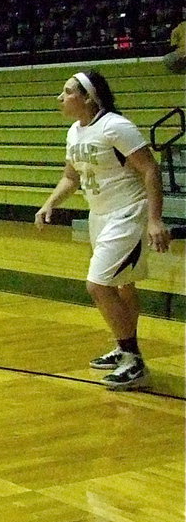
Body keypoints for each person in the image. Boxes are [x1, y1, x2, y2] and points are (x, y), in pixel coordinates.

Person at [35, 70, 170, 391]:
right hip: (100, 216)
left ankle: (134, 361)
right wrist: (49, 203)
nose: (60, 98)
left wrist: (155, 219)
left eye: (67, 92)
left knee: (98, 285)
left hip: (127, 214)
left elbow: (150, 168)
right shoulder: (74, 132)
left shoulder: (116, 126)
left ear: (88, 97)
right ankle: (124, 348)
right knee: (123, 286)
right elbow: (71, 176)